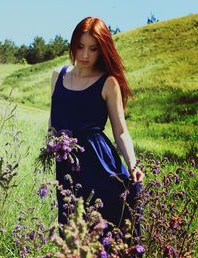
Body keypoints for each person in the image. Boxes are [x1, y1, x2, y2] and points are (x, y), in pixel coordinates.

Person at [48, 16, 145, 231]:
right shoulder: (58, 76)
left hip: (100, 166)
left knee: (107, 231)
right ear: (73, 44)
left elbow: (120, 132)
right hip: (66, 167)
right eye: (80, 46)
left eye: (93, 48)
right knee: (72, 232)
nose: (85, 54)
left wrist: (133, 164)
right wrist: (50, 143)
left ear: (102, 50)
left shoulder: (108, 82)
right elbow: (52, 123)